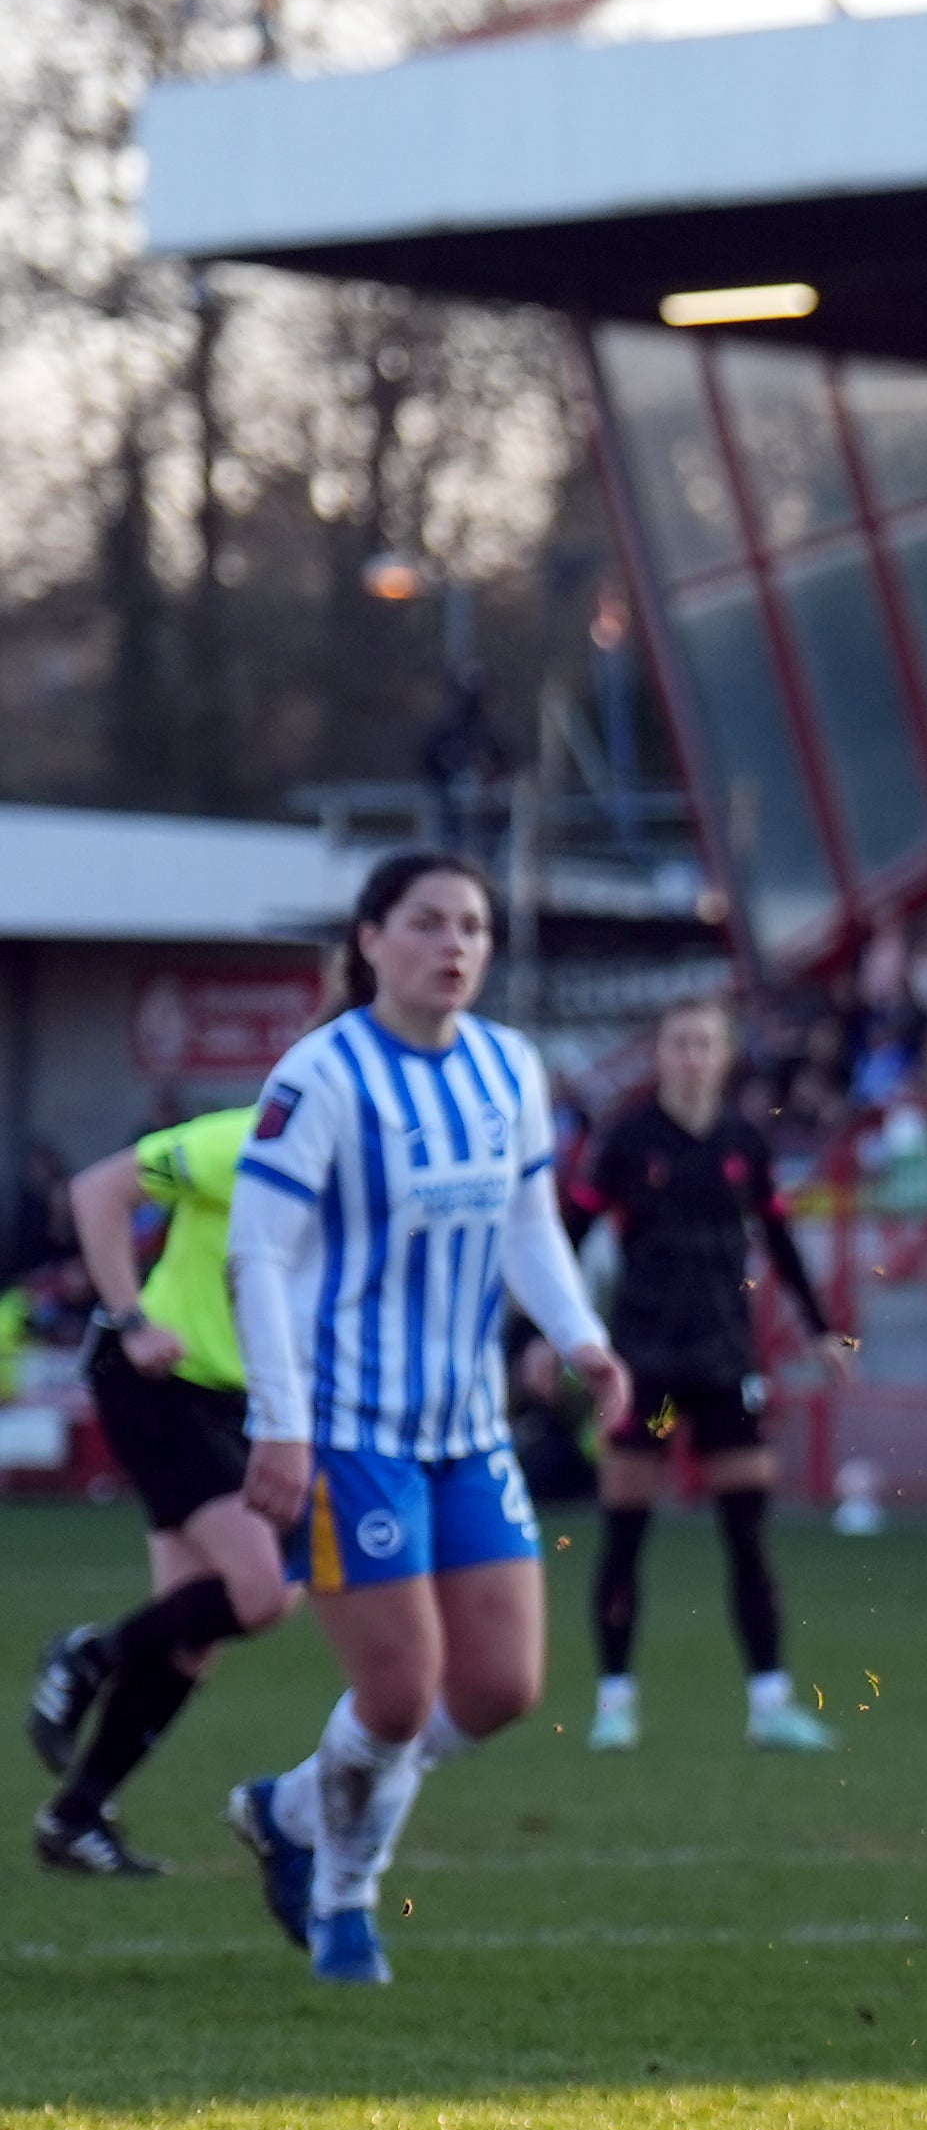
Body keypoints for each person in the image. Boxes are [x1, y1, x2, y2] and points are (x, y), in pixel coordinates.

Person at [215, 852, 630, 1989]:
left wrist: (582, 1336)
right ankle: (345, 1902)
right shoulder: (323, 1077)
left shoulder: (508, 1067)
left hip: (466, 1428)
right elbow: (255, 1253)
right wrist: (281, 1422)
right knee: (399, 1693)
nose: (454, 945)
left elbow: (529, 1228)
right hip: (348, 1431)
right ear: (369, 940)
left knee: (501, 1687)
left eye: (474, 927)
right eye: (427, 922)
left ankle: (289, 1807)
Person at [569, 995, 849, 1753]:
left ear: (725, 1056)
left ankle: (770, 1703)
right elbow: (569, 1234)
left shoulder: (743, 1143)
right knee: (626, 1530)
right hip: (645, 1365)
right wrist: (547, 1335)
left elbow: (781, 1240)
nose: (692, 1057)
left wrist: (822, 1332)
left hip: (726, 1362)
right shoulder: (625, 1140)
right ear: (660, 1054)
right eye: (679, 1043)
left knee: (748, 1535)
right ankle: (615, 1703)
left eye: (705, 1044)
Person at [25, 1105, 297, 1874]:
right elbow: (96, 1192)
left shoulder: (363, 1180)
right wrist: (133, 1316)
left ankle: (74, 1818)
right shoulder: (245, 1142)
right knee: (262, 1589)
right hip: (154, 1377)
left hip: (233, 1400)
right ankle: (87, 1655)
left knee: (192, 1635)